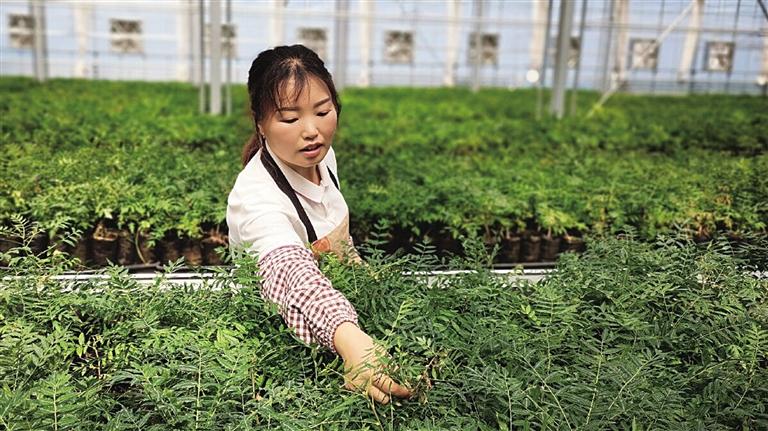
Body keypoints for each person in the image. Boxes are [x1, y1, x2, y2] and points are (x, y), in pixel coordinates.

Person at [226, 44, 412, 405]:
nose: (312, 131)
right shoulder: (256, 199)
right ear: (260, 122)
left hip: (348, 309)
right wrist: (351, 340)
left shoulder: (323, 159)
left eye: (323, 111)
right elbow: (288, 272)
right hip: (285, 345)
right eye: (289, 119)